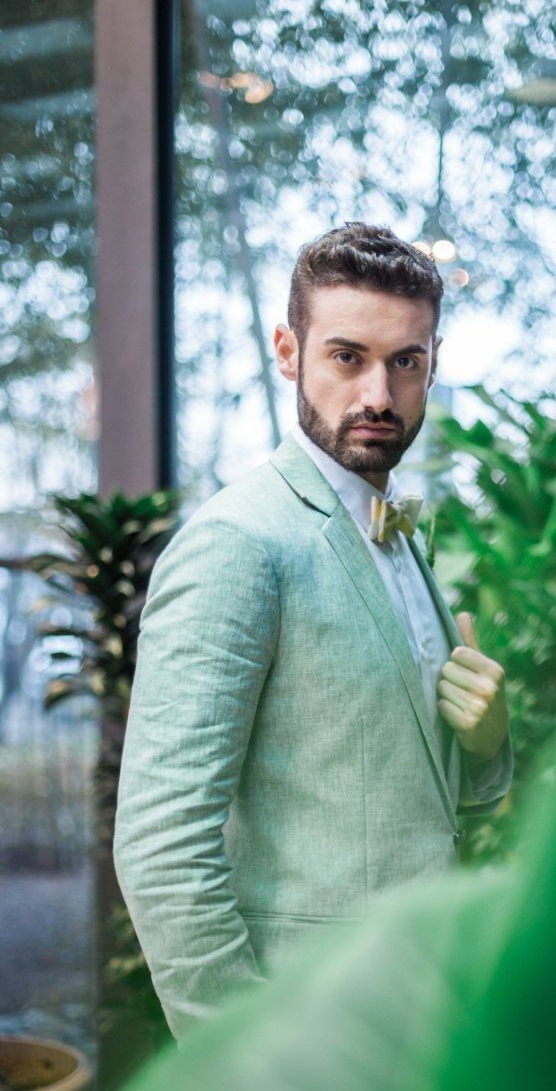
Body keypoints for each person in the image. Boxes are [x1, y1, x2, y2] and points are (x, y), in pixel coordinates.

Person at [113, 222, 514, 1045]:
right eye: (347, 356)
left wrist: (486, 741)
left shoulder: (396, 529)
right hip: (306, 1039)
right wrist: (247, 1072)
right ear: (288, 352)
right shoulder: (240, 543)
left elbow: (428, 800)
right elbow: (162, 848)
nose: (379, 393)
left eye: (406, 361)